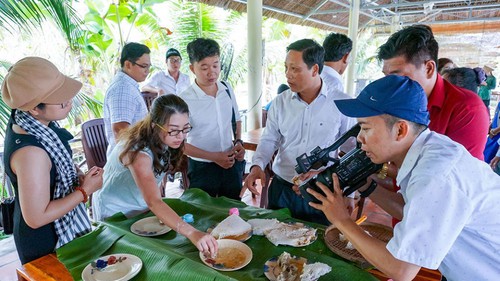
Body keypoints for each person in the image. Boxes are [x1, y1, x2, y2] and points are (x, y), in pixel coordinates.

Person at [307, 75, 500, 281]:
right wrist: (365, 185)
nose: (360, 138)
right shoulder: (429, 149)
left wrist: (342, 220)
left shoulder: (435, 175)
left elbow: (401, 270)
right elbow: (414, 210)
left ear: (400, 129)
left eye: (366, 128)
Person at [241, 39, 356, 225]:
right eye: (286, 68)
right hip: (282, 189)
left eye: (295, 69)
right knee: (275, 240)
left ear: (315, 70)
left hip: (321, 192)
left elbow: (352, 150)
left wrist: (349, 193)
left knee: (317, 246)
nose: (288, 75)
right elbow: (269, 139)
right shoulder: (280, 102)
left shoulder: (341, 103)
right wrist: (257, 166)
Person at [1, 57, 103, 264]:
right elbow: (36, 217)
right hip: (47, 243)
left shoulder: (32, 122)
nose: (69, 102)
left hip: (56, 232)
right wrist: (85, 191)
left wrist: (75, 173)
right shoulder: (31, 154)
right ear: (33, 108)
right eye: (61, 99)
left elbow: (53, 166)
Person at [93, 94, 218, 256]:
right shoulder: (138, 154)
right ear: (154, 126)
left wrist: (216, 157)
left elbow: (184, 147)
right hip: (115, 211)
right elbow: (153, 201)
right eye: (174, 130)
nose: (181, 136)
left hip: (139, 205)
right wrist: (192, 233)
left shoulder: (166, 138)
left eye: (185, 128)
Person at [378, 24, 489, 161]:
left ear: (429, 69)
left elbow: (453, 177)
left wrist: (383, 165)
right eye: (386, 77)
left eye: (397, 77)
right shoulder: (394, 101)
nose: (389, 85)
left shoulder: (467, 109)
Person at [179, 38, 245, 200]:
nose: (212, 72)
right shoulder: (184, 100)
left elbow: (236, 120)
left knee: (233, 211)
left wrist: (238, 142)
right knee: (204, 215)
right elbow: (180, 144)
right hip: (202, 169)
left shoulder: (227, 89)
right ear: (192, 68)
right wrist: (214, 157)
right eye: (204, 67)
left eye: (215, 65)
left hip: (230, 164)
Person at [103, 42, 151, 155]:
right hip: (129, 158)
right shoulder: (122, 88)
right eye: (144, 66)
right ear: (128, 64)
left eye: (149, 66)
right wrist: (136, 161)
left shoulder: (128, 86)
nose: (147, 71)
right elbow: (120, 130)